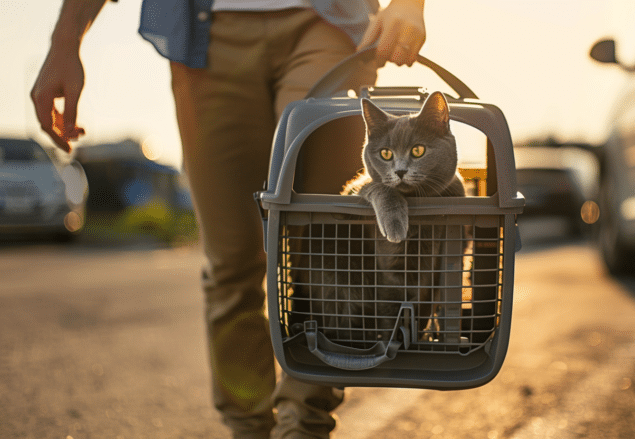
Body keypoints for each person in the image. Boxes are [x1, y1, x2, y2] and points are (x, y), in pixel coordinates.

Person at [31, 0, 426, 438]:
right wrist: (64, 41)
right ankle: (247, 428)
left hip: (327, 25)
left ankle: (304, 425)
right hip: (204, 37)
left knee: (322, 249)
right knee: (231, 262)